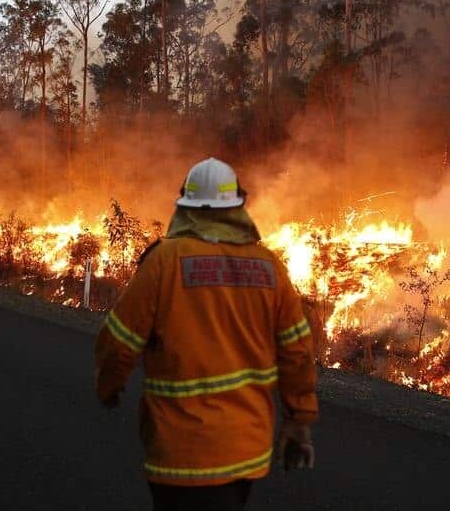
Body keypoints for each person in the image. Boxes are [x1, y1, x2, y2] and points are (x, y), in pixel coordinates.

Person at [94, 157, 318, 511]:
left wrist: (109, 386)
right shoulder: (269, 267)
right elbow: (298, 353)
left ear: (185, 207)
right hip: (245, 452)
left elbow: (118, 340)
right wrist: (299, 421)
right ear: (238, 207)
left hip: (179, 454)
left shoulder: (164, 262)